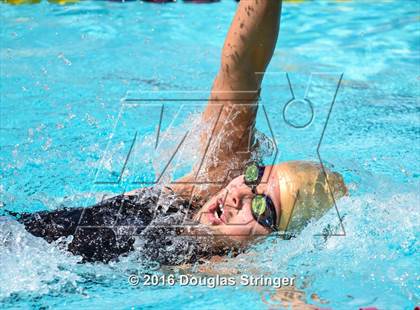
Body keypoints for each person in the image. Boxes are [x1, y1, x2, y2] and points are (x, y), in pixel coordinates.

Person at [10, 0, 347, 264]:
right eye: (253, 175)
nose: (238, 194)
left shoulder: (221, 263)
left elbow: (274, 289)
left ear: (279, 239)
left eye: (263, 209)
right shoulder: (206, 187)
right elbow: (242, 71)